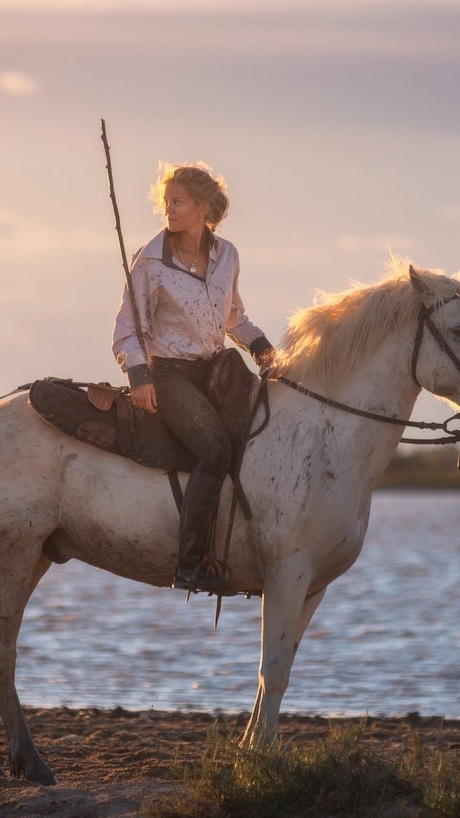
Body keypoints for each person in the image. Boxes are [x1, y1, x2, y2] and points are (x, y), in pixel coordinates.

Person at [112, 162, 275, 591]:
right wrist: (140, 377)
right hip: (170, 375)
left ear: (204, 208)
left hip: (216, 371)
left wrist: (263, 349)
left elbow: (233, 318)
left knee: (256, 436)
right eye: (166, 202)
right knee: (216, 449)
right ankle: (190, 565)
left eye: (178, 202)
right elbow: (127, 328)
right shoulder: (149, 260)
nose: (169, 209)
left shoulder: (228, 256)